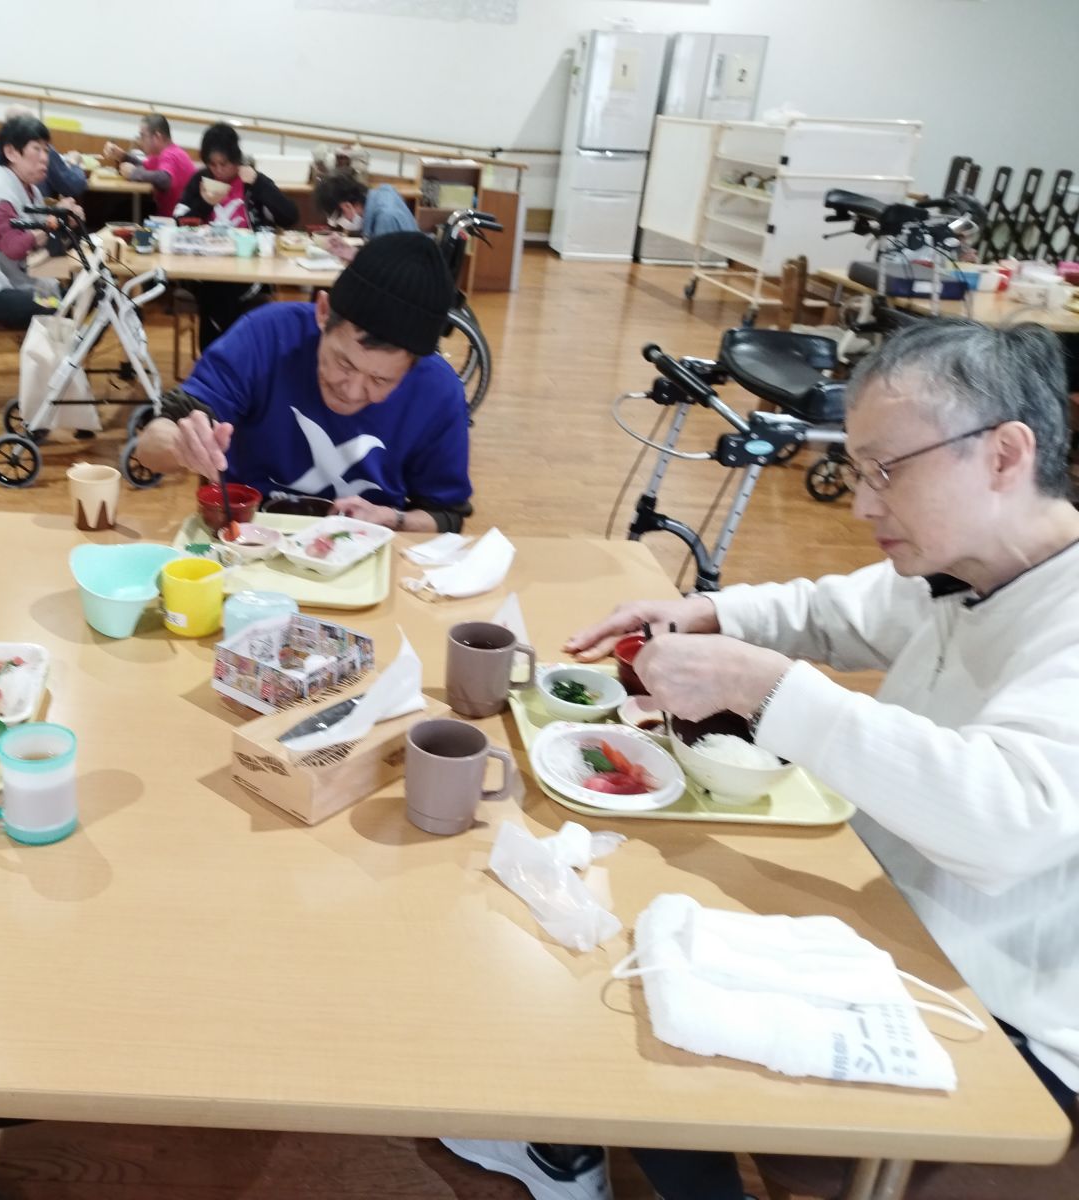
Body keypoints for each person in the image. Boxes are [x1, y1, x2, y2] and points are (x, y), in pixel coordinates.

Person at [445, 319, 1079, 1199]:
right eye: (858, 471)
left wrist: (763, 684)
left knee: (631, 996)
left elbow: (1006, 822)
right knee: (622, 942)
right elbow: (831, 610)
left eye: (886, 470)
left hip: (997, 1012)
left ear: (1005, 454)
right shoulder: (972, 566)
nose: (862, 505)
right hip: (885, 912)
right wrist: (712, 618)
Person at [135, 231, 471, 532]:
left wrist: (393, 519)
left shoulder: (438, 391)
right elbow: (148, 448)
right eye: (344, 363)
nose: (353, 391)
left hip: (362, 551)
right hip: (246, 540)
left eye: (381, 380)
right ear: (323, 312)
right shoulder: (266, 337)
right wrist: (180, 444)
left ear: (413, 366)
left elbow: (447, 514)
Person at [173, 122, 299, 349]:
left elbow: (290, 217)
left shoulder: (252, 181)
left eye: (224, 164)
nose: (218, 170)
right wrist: (205, 203)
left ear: (236, 159)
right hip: (204, 267)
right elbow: (177, 223)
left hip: (248, 267)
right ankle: (222, 354)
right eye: (212, 164)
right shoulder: (200, 180)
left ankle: (221, 353)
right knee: (214, 289)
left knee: (225, 294)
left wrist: (259, 184)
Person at [0, 115, 76, 328]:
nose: (45, 158)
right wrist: (54, 221)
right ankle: (61, 351)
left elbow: (45, 246)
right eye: (37, 149)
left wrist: (68, 222)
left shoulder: (30, 189)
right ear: (11, 152)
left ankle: (65, 349)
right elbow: (12, 247)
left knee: (84, 296)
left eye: (47, 150)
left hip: (15, 282)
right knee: (65, 305)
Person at [0, 105, 86, 199]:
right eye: (37, 148)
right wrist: (73, 162)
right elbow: (72, 186)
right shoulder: (43, 151)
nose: (44, 158)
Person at [312, 169, 418, 263]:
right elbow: (380, 253)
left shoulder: (385, 218)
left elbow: (384, 268)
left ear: (347, 206)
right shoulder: (382, 194)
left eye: (337, 219)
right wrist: (349, 250)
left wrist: (352, 255)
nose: (340, 224)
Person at [103, 113, 196, 219]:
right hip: (168, 217)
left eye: (142, 136)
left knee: (118, 211)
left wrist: (134, 173)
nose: (140, 141)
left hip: (175, 222)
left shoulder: (170, 154)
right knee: (121, 208)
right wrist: (123, 156)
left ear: (157, 137)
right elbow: (144, 166)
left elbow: (164, 179)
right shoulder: (161, 154)